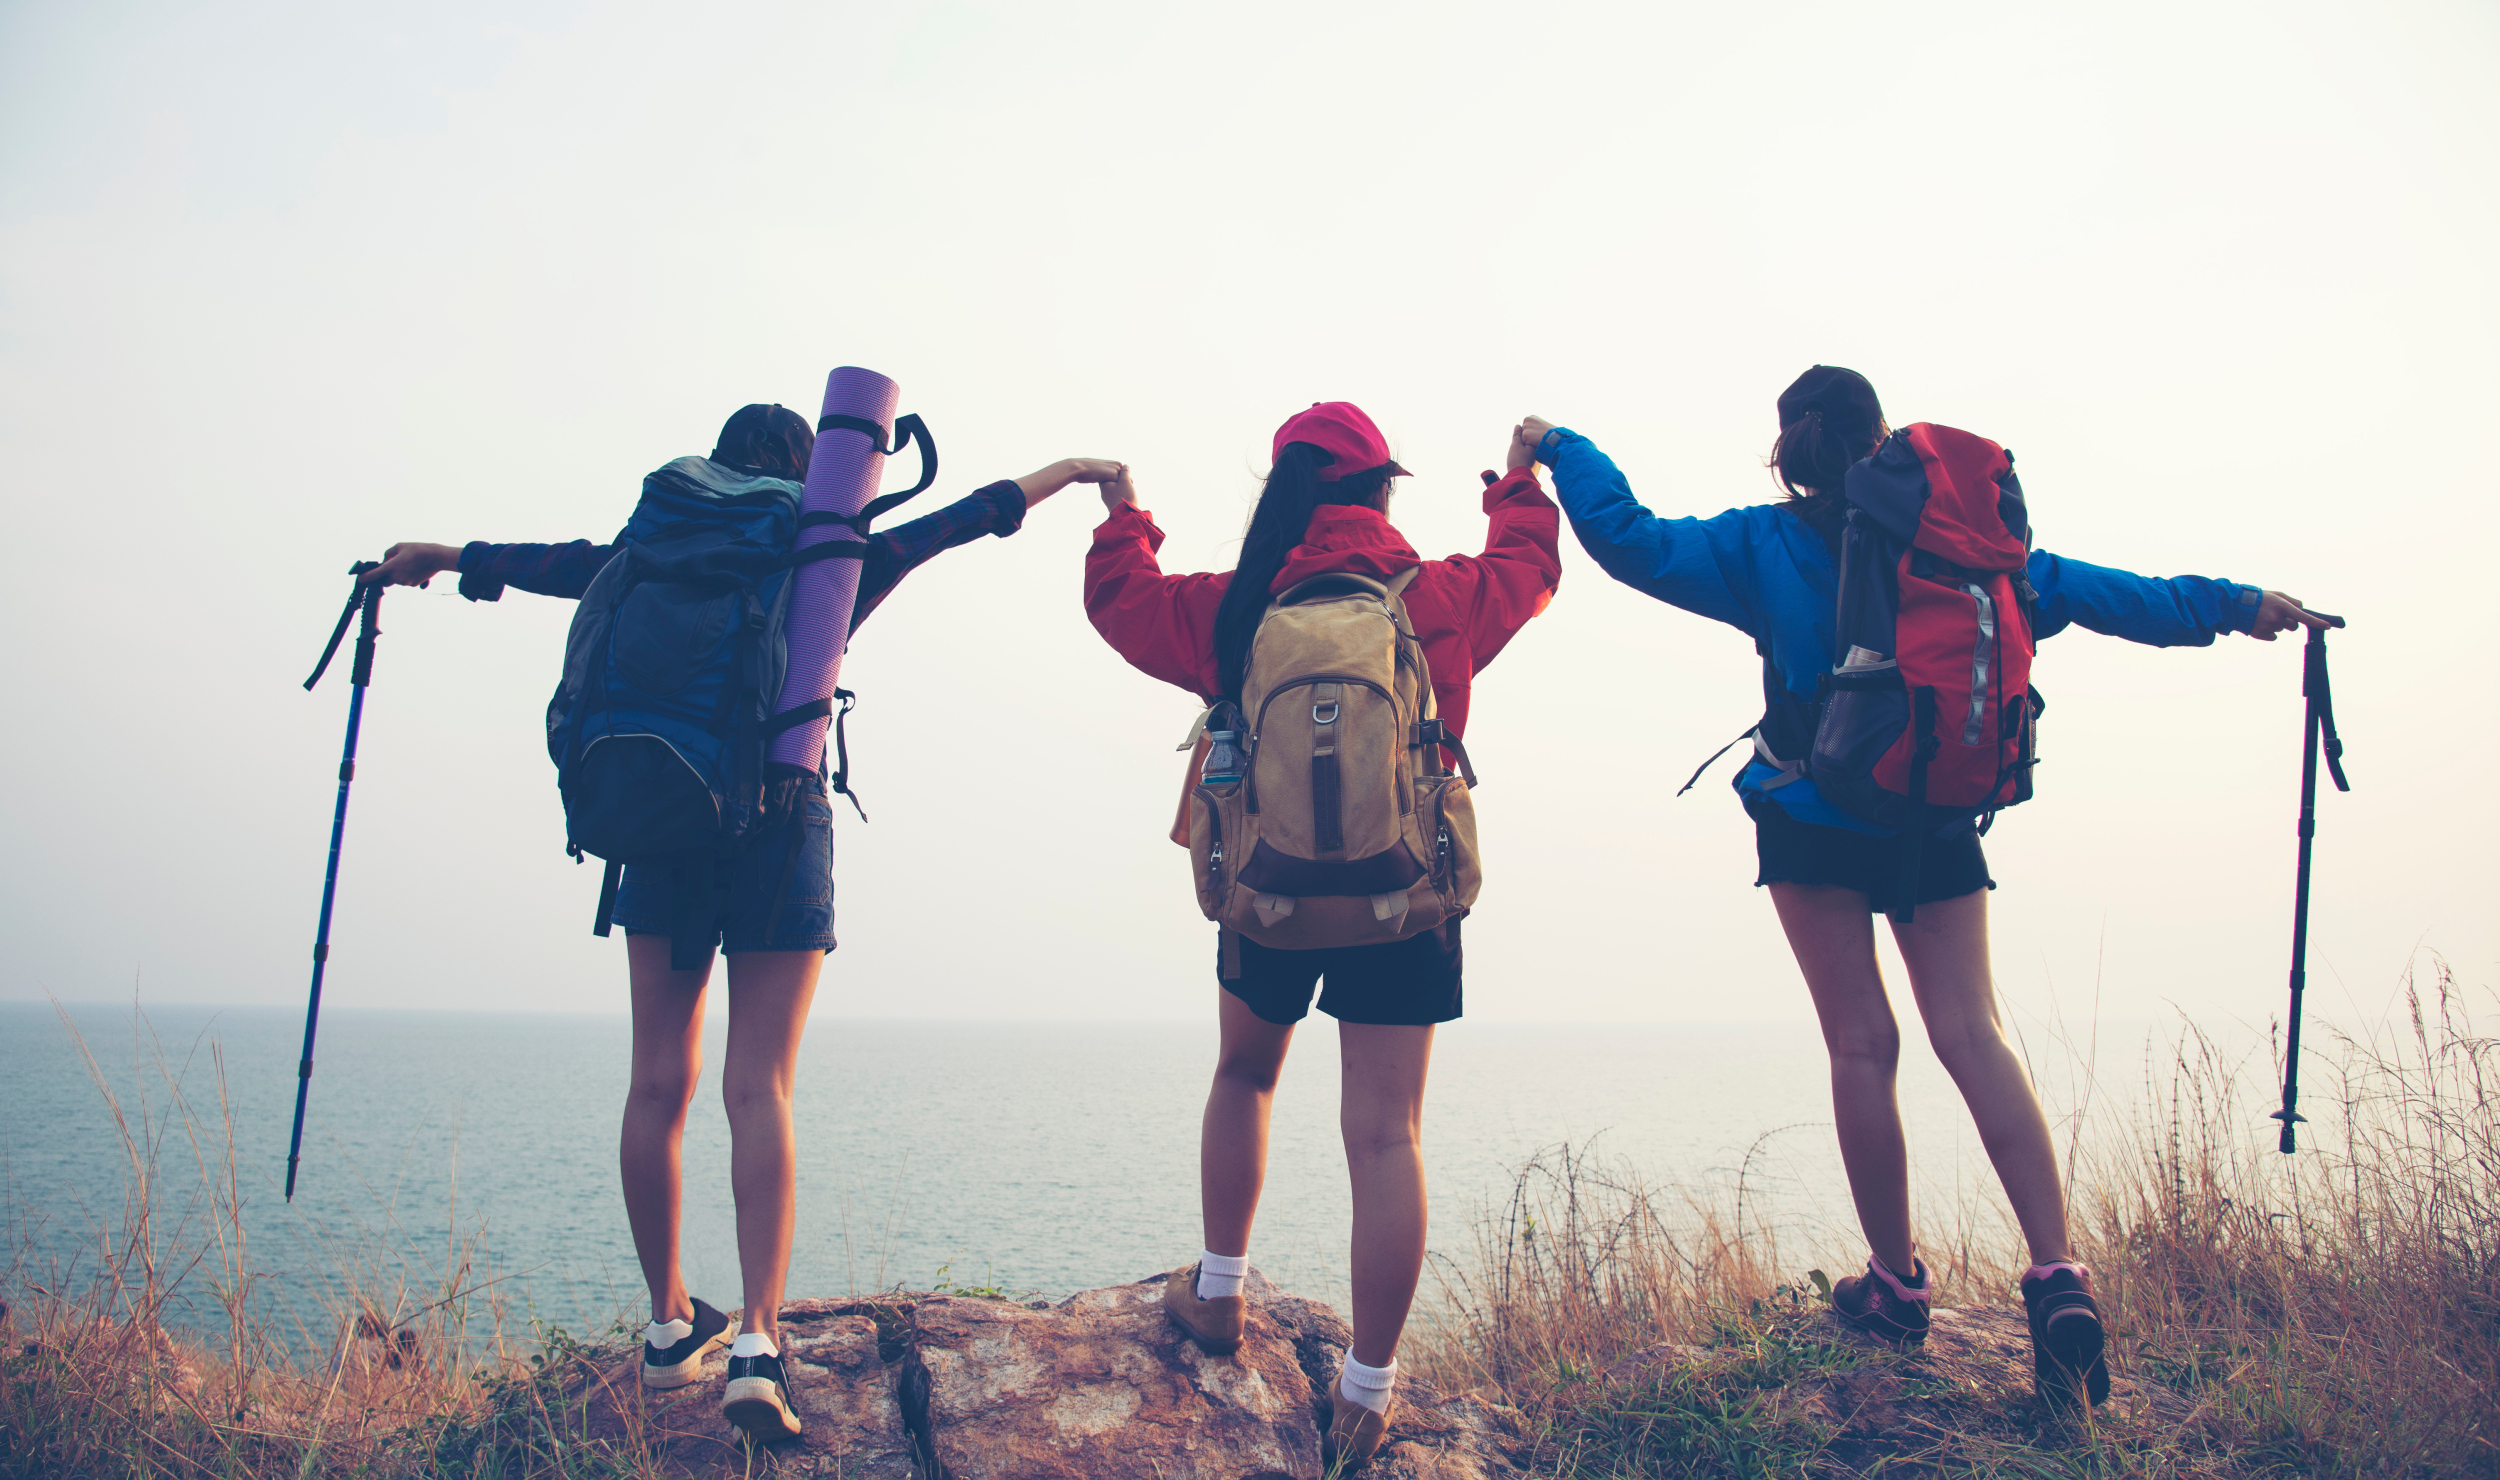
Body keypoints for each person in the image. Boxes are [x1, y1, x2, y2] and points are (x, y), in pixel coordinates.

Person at [1518, 367, 2331, 1409]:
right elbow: (2105, 590)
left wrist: (1561, 445)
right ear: (1890, 443)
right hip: (1936, 818)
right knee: (1973, 1034)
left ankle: (1897, 1286)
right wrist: (2236, 607)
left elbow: (1628, 537)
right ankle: (2057, 1277)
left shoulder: (1755, 545)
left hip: (1812, 817)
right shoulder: (1966, 549)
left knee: (1863, 1043)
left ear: (1787, 451)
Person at [363, 403, 1124, 1442]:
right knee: (757, 1083)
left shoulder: (651, 546)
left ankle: (671, 1325)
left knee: (655, 1083)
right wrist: (1068, 469)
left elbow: (543, 562)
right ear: (815, 476)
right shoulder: (825, 555)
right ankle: (760, 1341)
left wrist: (441, 558)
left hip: (657, 816)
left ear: (713, 465)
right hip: (776, 818)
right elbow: (960, 518)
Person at [1082, 402, 1561, 1466]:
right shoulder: (1433, 595)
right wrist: (1518, 480)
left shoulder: (1238, 606)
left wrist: (1125, 520)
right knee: (1385, 1132)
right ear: (1382, 490)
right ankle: (1367, 1392)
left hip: (1268, 894)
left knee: (1245, 1075)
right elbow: (1527, 566)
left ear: (1285, 490)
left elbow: (1119, 603)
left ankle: (1215, 1293)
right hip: (1406, 892)